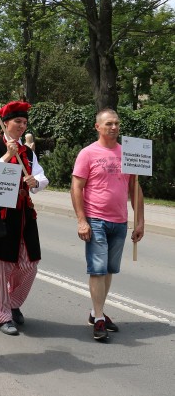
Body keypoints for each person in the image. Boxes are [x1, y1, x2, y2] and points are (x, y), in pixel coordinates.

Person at [71, 108, 145, 341]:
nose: (114, 127)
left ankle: (96, 312)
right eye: (109, 124)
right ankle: (100, 318)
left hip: (120, 222)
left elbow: (135, 188)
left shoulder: (128, 154)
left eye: (116, 124)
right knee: (98, 269)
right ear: (98, 127)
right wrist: (82, 220)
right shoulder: (88, 154)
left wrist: (140, 221)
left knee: (110, 269)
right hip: (96, 220)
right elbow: (76, 188)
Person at [0, 101, 48, 336]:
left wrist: (36, 182)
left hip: (24, 213)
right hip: (0, 213)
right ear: (5, 123)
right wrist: (7, 156)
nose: (21, 125)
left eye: (25, 122)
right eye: (18, 121)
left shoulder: (27, 152)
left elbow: (41, 176)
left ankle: (12, 302)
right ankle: (0, 315)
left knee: (30, 263)